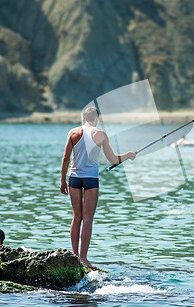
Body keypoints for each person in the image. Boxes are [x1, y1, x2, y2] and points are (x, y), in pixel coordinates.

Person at [60, 107, 136, 269]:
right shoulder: (100, 134)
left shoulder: (73, 132)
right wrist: (128, 155)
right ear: (97, 119)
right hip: (90, 179)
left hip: (74, 178)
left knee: (76, 217)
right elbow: (113, 159)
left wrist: (62, 181)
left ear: (83, 118)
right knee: (88, 218)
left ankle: (74, 256)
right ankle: (84, 258)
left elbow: (66, 158)